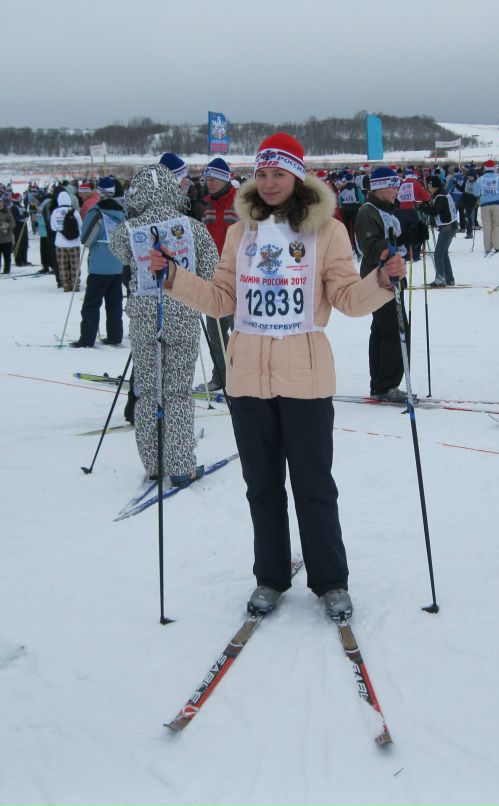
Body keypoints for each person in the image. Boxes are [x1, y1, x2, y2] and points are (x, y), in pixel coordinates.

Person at [145, 132, 406, 622]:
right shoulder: (240, 233)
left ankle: (330, 580)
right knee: (261, 486)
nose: (268, 182)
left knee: (313, 485)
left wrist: (383, 280)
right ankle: (270, 575)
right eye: (261, 173)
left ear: (297, 176)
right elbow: (223, 298)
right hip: (246, 379)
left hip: (306, 378)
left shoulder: (326, 231)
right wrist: (174, 278)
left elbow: (348, 299)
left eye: (278, 173)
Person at [108, 163, 218, 485]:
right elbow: (211, 269)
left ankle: (154, 462)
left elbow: (118, 251)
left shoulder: (129, 229)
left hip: (144, 317)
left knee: (149, 392)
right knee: (178, 393)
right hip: (182, 313)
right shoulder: (193, 227)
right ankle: (181, 465)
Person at [355, 166, 407, 402]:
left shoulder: (386, 210)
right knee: (394, 330)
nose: (397, 191)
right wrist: (396, 241)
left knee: (384, 329)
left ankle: (381, 384)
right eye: (392, 186)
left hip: (392, 277)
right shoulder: (368, 211)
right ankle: (386, 384)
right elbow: (371, 248)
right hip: (379, 279)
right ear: (379, 187)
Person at [199, 158, 238, 391]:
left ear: (224, 179)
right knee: (215, 333)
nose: (209, 183)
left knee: (241, 332)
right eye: (207, 179)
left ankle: (245, 375)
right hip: (212, 277)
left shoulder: (239, 202)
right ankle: (220, 377)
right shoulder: (206, 204)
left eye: (213, 179)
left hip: (237, 278)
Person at [72, 177, 126, 348]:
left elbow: (86, 238)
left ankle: (87, 339)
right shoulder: (122, 211)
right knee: (114, 303)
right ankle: (115, 336)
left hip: (99, 265)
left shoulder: (96, 211)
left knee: (91, 304)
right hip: (117, 264)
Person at [421, 175, 457, 286]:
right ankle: (449, 278)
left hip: (448, 227)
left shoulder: (440, 196)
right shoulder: (442, 194)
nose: (428, 188)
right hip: (450, 226)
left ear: (433, 185)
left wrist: (422, 207)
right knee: (443, 253)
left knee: (438, 254)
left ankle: (441, 278)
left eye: (429, 185)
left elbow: (435, 211)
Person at [476, 160, 499, 255]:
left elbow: (476, 192)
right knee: (497, 224)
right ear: (494, 168)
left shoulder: (480, 179)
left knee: (486, 225)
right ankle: (496, 245)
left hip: (484, 205)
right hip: (496, 204)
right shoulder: (498, 178)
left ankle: (487, 247)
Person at [49, 190, 82, 292]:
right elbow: (80, 225)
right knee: (75, 264)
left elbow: (53, 228)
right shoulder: (74, 211)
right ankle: (75, 284)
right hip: (74, 242)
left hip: (60, 243)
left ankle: (66, 285)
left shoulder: (55, 212)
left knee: (62, 265)